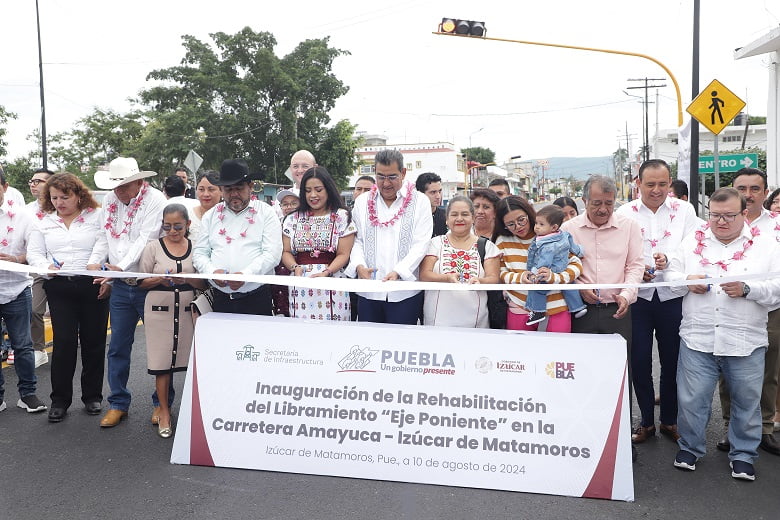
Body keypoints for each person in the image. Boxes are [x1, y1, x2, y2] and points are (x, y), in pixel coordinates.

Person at [666, 187, 780, 481]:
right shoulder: (692, 242)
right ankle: (690, 447)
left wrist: (748, 289)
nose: (721, 222)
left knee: (746, 402)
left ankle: (743, 455)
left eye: (729, 215)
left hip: (745, 340)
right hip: (698, 337)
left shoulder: (767, 245)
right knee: (692, 400)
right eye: (715, 215)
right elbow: (670, 278)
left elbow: (778, 288)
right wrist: (686, 281)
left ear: (744, 213)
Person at [615, 159, 701, 445]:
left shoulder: (685, 210)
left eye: (662, 184)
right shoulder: (624, 212)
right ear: (637, 183)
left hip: (673, 297)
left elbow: (695, 248)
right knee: (638, 360)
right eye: (650, 184)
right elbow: (619, 254)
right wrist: (639, 271)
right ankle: (646, 422)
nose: (656, 190)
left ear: (670, 183)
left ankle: (670, 420)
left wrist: (669, 262)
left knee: (673, 360)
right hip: (637, 298)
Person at [561, 175, 644, 461]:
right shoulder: (568, 228)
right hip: (580, 313)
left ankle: (621, 441)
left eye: (609, 204)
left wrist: (627, 293)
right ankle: (581, 439)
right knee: (581, 375)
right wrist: (577, 288)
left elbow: (635, 265)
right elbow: (560, 267)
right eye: (596, 203)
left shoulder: (629, 226)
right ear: (584, 201)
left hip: (616, 311)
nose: (603, 210)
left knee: (620, 377)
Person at [87, 157, 167, 428]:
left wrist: (118, 268)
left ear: (137, 182)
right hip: (121, 286)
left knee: (159, 347)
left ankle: (161, 404)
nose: (118, 191)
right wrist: (94, 263)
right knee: (118, 347)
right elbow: (104, 236)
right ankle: (118, 403)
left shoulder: (155, 200)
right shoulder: (110, 201)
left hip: (148, 283)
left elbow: (145, 239)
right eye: (115, 186)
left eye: (122, 186)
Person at [27, 173, 109, 422]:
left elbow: (103, 242)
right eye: (54, 197)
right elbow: (34, 253)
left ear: (78, 195)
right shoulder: (43, 220)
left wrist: (95, 263)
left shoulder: (96, 216)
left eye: (65, 197)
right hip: (59, 286)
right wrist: (45, 267)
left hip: (91, 283)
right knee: (63, 343)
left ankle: (92, 397)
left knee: (93, 341)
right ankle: (60, 400)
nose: (60, 202)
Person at [715, 168, 780, 456]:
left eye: (755, 189)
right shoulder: (721, 224)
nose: (748, 194)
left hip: (770, 307)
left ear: (766, 193)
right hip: (731, 307)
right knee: (730, 371)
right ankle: (733, 427)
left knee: (768, 371)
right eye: (742, 188)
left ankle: (765, 427)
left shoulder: (775, 226)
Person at [139, 204, 205, 438]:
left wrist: (188, 278)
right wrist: (159, 279)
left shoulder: (197, 248)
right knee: (161, 364)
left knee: (192, 362)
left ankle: (194, 412)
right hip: (158, 310)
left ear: (188, 225)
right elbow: (141, 281)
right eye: (167, 226)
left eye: (178, 226)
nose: (172, 231)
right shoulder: (153, 248)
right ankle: (164, 411)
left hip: (188, 310)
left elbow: (204, 282)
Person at [346, 149, 432, 324]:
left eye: (392, 177)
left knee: (401, 345)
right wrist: (359, 266)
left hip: (404, 292)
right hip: (368, 291)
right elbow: (356, 240)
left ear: (403, 172)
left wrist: (399, 272)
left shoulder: (420, 201)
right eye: (380, 177)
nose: (385, 184)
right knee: (368, 346)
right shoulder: (362, 202)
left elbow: (421, 243)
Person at [193, 159, 281, 315]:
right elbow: (200, 254)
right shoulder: (211, 216)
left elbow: (272, 254)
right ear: (221, 190)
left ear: (251, 187)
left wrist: (246, 275)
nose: (234, 194)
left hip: (257, 298)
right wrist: (212, 272)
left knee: (257, 340)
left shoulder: (266, 213)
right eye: (228, 189)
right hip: (221, 299)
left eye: (239, 188)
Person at [495, 196, 583, 333]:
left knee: (556, 352)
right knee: (519, 353)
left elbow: (576, 264)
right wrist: (520, 278)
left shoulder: (552, 235)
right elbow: (500, 273)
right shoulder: (502, 241)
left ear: (529, 214)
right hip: (520, 308)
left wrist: (555, 278)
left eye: (521, 220)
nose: (518, 227)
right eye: (510, 224)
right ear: (503, 224)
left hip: (556, 309)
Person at [0, 170, 47, 414]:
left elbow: (36, 252)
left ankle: (27, 394)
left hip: (16, 289)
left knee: (23, 346)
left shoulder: (23, 217)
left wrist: (17, 258)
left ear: (5, 186)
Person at [281, 167, 356, 320]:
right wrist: (295, 268)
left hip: (332, 281)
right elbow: (286, 251)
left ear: (328, 189)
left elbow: (344, 254)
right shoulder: (292, 218)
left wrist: (327, 272)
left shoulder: (342, 216)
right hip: (301, 282)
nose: (313, 195)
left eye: (318, 189)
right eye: (308, 191)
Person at [419, 195, 499, 327]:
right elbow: (424, 275)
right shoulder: (435, 243)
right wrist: (446, 278)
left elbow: (493, 278)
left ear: (473, 218)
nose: (459, 219)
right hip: (438, 319)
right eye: (454, 214)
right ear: (447, 219)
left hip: (476, 319)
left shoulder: (487, 247)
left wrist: (480, 281)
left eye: (465, 214)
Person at [524, 204, 587, 326]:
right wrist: (580, 252)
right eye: (536, 223)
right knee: (569, 287)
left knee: (538, 290)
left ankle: (538, 312)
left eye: (541, 224)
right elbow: (573, 247)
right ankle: (578, 307)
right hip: (563, 266)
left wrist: (535, 273)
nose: (536, 227)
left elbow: (544, 262)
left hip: (550, 270)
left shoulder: (546, 244)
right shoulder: (564, 235)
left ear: (554, 227)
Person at [26, 167, 55, 369]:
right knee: (35, 309)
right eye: (32, 181)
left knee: (63, 312)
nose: (33, 184)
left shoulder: (60, 205)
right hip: (37, 265)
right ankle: (38, 349)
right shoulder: (26, 210)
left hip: (61, 266)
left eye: (39, 181)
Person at [271, 189, 300, 317]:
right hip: (280, 273)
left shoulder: (306, 222)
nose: (289, 207)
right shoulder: (276, 224)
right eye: (285, 204)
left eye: (294, 203)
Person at [415, 172, 446, 237]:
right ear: (420, 194)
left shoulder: (446, 216)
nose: (438, 196)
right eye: (433, 192)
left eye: (439, 191)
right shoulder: (412, 218)